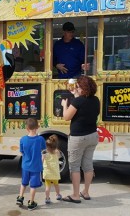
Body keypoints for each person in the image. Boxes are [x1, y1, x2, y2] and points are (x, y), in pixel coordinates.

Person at [60, 75, 100, 203]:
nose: (76, 88)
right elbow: (84, 107)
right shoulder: (95, 100)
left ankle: (76, 195)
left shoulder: (77, 102)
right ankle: (86, 192)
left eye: (77, 87)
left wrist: (64, 105)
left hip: (78, 138)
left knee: (75, 167)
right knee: (88, 165)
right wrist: (76, 95)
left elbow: (66, 117)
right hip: (92, 136)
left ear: (83, 88)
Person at [16, 118, 46, 210]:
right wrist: (42, 161)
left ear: (27, 128)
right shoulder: (40, 139)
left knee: (24, 183)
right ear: (37, 127)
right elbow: (44, 152)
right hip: (36, 167)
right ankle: (31, 202)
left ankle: (20, 197)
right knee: (33, 185)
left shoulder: (23, 139)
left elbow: (21, 152)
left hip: (25, 166)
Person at [42, 134, 62, 204]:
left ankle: (47, 198)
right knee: (56, 185)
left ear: (47, 146)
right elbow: (59, 157)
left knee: (47, 187)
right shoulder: (57, 152)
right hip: (55, 173)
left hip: (47, 173)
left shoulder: (45, 153)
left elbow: (42, 161)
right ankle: (58, 195)